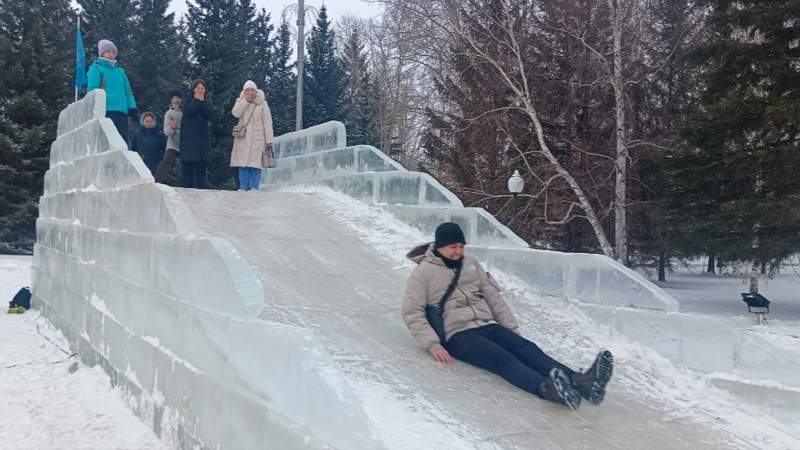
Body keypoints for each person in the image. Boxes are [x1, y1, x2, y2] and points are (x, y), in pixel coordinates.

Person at [402, 222, 614, 410]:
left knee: (527, 349)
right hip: (457, 335)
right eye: (453, 247)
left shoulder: (470, 263)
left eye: (461, 246)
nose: (458, 251)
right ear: (439, 247)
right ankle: (546, 388)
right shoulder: (423, 273)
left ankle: (580, 382)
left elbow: (492, 296)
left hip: (485, 324)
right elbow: (412, 312)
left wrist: (511, 331)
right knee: (502, 358)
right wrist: (433, 345)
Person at [86, 39, 137, 143]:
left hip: (121, 110)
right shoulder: (96, 68)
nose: (111, 54)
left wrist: (132, 107)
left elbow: (128, 90)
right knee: (108, 140)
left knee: (123, 141)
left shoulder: (120, 71)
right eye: (108, 51)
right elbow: (92, 89)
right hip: (106, 109)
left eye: (113, 52)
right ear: (102, 53)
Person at [230, 80, 274, 191]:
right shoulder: (240, 101)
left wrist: (269, 140)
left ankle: (254, 187)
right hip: (243, 138)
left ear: (256, 91)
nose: (250, 93)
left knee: (255, 163)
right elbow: (235, 113)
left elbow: (267, 122)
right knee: (243, 163)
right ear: (244, 92)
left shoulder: (262, 103)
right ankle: (243, 187)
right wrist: (245, 101)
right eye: (247, 91)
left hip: (258, 138)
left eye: (252, 90)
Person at [179, 80, 213, 189]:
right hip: (189, 143)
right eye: (198, 88)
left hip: (201, 143)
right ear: (193, 89)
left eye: (202, 88)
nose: (200, 90)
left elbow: (209, 114)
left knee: (201, 175)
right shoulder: (187, 101)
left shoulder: (206, 102)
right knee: (188, 175)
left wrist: (202, 102)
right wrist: (196, 100)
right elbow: (189, 111)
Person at [155, 90, 183, 183]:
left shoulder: (186, 112)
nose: (176, 100)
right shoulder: (169, 113)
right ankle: (157, 182)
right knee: (166, 162)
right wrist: (172, 128)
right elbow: (167, 131)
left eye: (178, 98)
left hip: (185, 142)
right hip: (173, 143)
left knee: (187, 164)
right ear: (171, 100)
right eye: (174, 98)